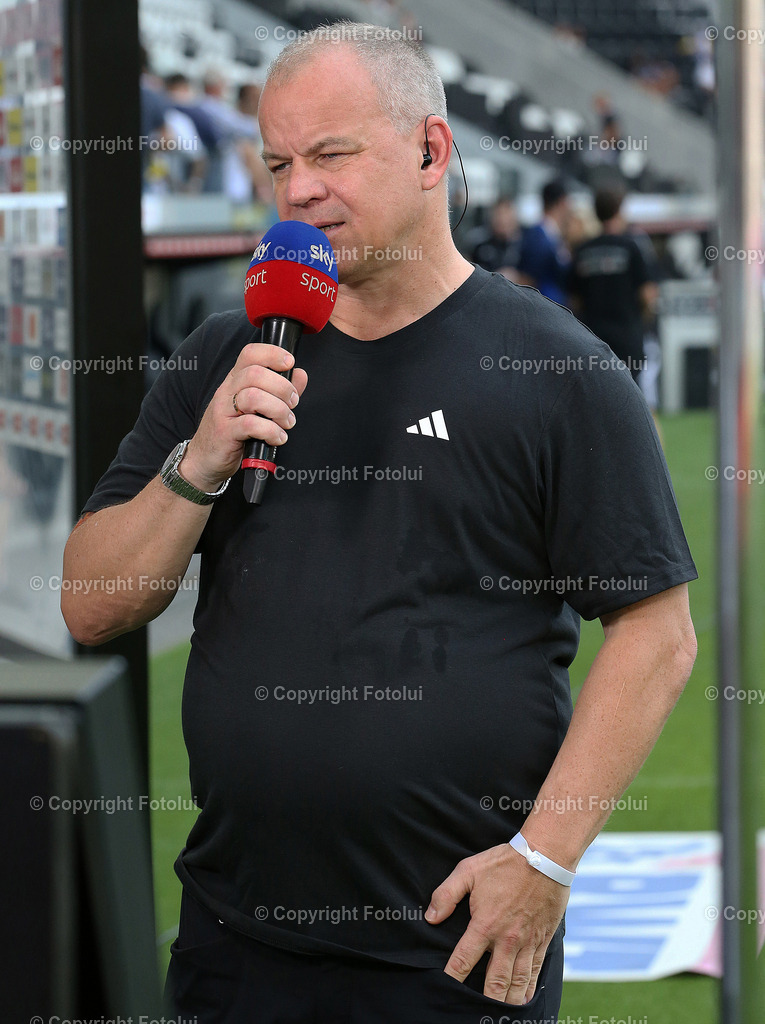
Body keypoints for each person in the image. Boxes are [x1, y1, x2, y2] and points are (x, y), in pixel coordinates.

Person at [62, 22, 698, 1024]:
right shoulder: (225, 357)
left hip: (449, 956)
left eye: (330, 155)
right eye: (277, 162)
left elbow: (657, 636)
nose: (299, 190)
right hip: (235, 941)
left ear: (432, 151)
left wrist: (545, 857)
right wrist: (199, 463)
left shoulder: (553, 367)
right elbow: (92, 606)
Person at [569, 187, 658, 385]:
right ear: (619, 211)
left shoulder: (583, 251)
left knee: (598, 393)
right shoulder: (631, 247)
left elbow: (574, 300)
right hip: (627, 334)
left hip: (593, 337)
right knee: (630, 393)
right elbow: (648, 294)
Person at [517, 179, 572, 305]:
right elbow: (527, 279)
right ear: (562, 202)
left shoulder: (553, 234)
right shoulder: (538, 237)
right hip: (543, 308)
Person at [465, 196, 522, 280]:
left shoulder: (522, 244)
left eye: (506, 214)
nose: (503, 219)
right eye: (499, 214)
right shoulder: (478, 241)